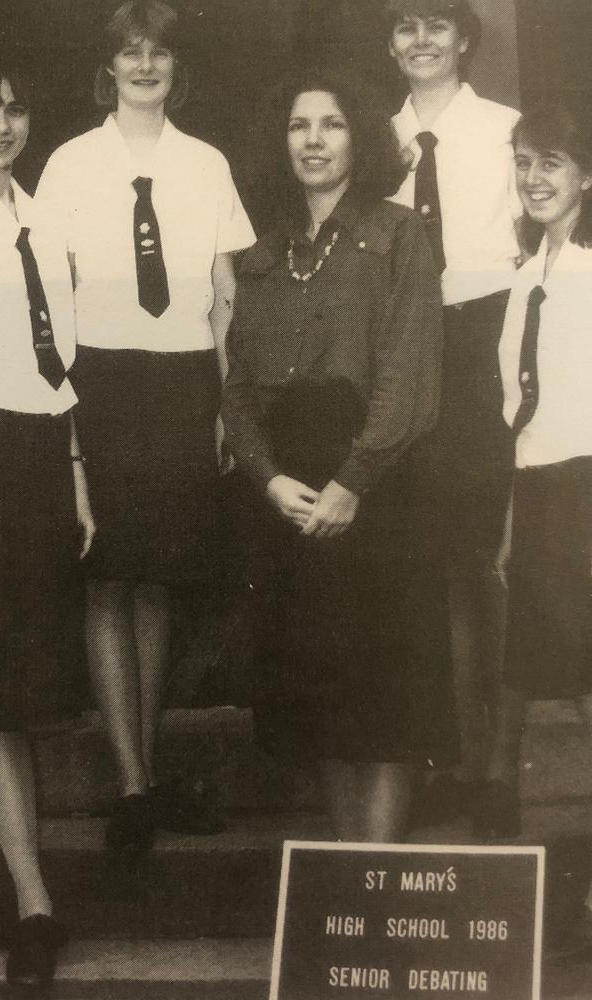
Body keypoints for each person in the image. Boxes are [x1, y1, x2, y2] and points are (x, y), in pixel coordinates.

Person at [36, 0, 255, 856]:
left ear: (176, 66)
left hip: (182, 378)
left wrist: (227, 401)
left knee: (160, 577)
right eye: (129, 52)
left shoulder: (206, 164)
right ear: (109, 68)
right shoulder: (66, 165)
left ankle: (148, 772)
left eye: (157, 51)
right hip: (101, 378)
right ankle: (130, 783)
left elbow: (227, 290)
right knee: (107, 578)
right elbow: (49, 297)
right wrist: (66, 412)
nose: (144, 65)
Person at [222, 66, 453, 842]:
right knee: (320, 702)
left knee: (381, 702)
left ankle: (375, 882)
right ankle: (347, 882)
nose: (313, 140)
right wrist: (269, 479)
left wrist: (353, 482)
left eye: (331, 124)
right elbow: (240, 394)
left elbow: (409, 374)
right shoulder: (260, 257)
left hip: (377, 493)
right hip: (291, 498)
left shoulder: (397, 234)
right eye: (298, 125)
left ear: (359, 138)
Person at [0, 60, 94, 986]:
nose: (2, 125)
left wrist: (75, 476)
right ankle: (34, 903)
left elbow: (59, 361)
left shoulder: (42, 216)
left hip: (40, 455)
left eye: (15, 107)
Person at [385, 0, 521, 821]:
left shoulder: (507, 130)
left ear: (465, 38)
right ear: (390, 43)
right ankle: (445, 755)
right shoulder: (374, 135)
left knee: (486, 560)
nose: (422, 40)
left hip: (487, 341)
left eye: (438, 24)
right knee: (423, 562)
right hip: (406, 346)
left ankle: (496, 769)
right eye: (405, 25)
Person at [477, 103, 592, 848]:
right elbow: (523, 413)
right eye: (522, 161)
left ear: (586, 174)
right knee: (556, 666)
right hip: (542, 490)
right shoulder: (530, 274)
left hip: (586, 487)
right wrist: (515, 522)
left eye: (551, 162)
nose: (533, 177)